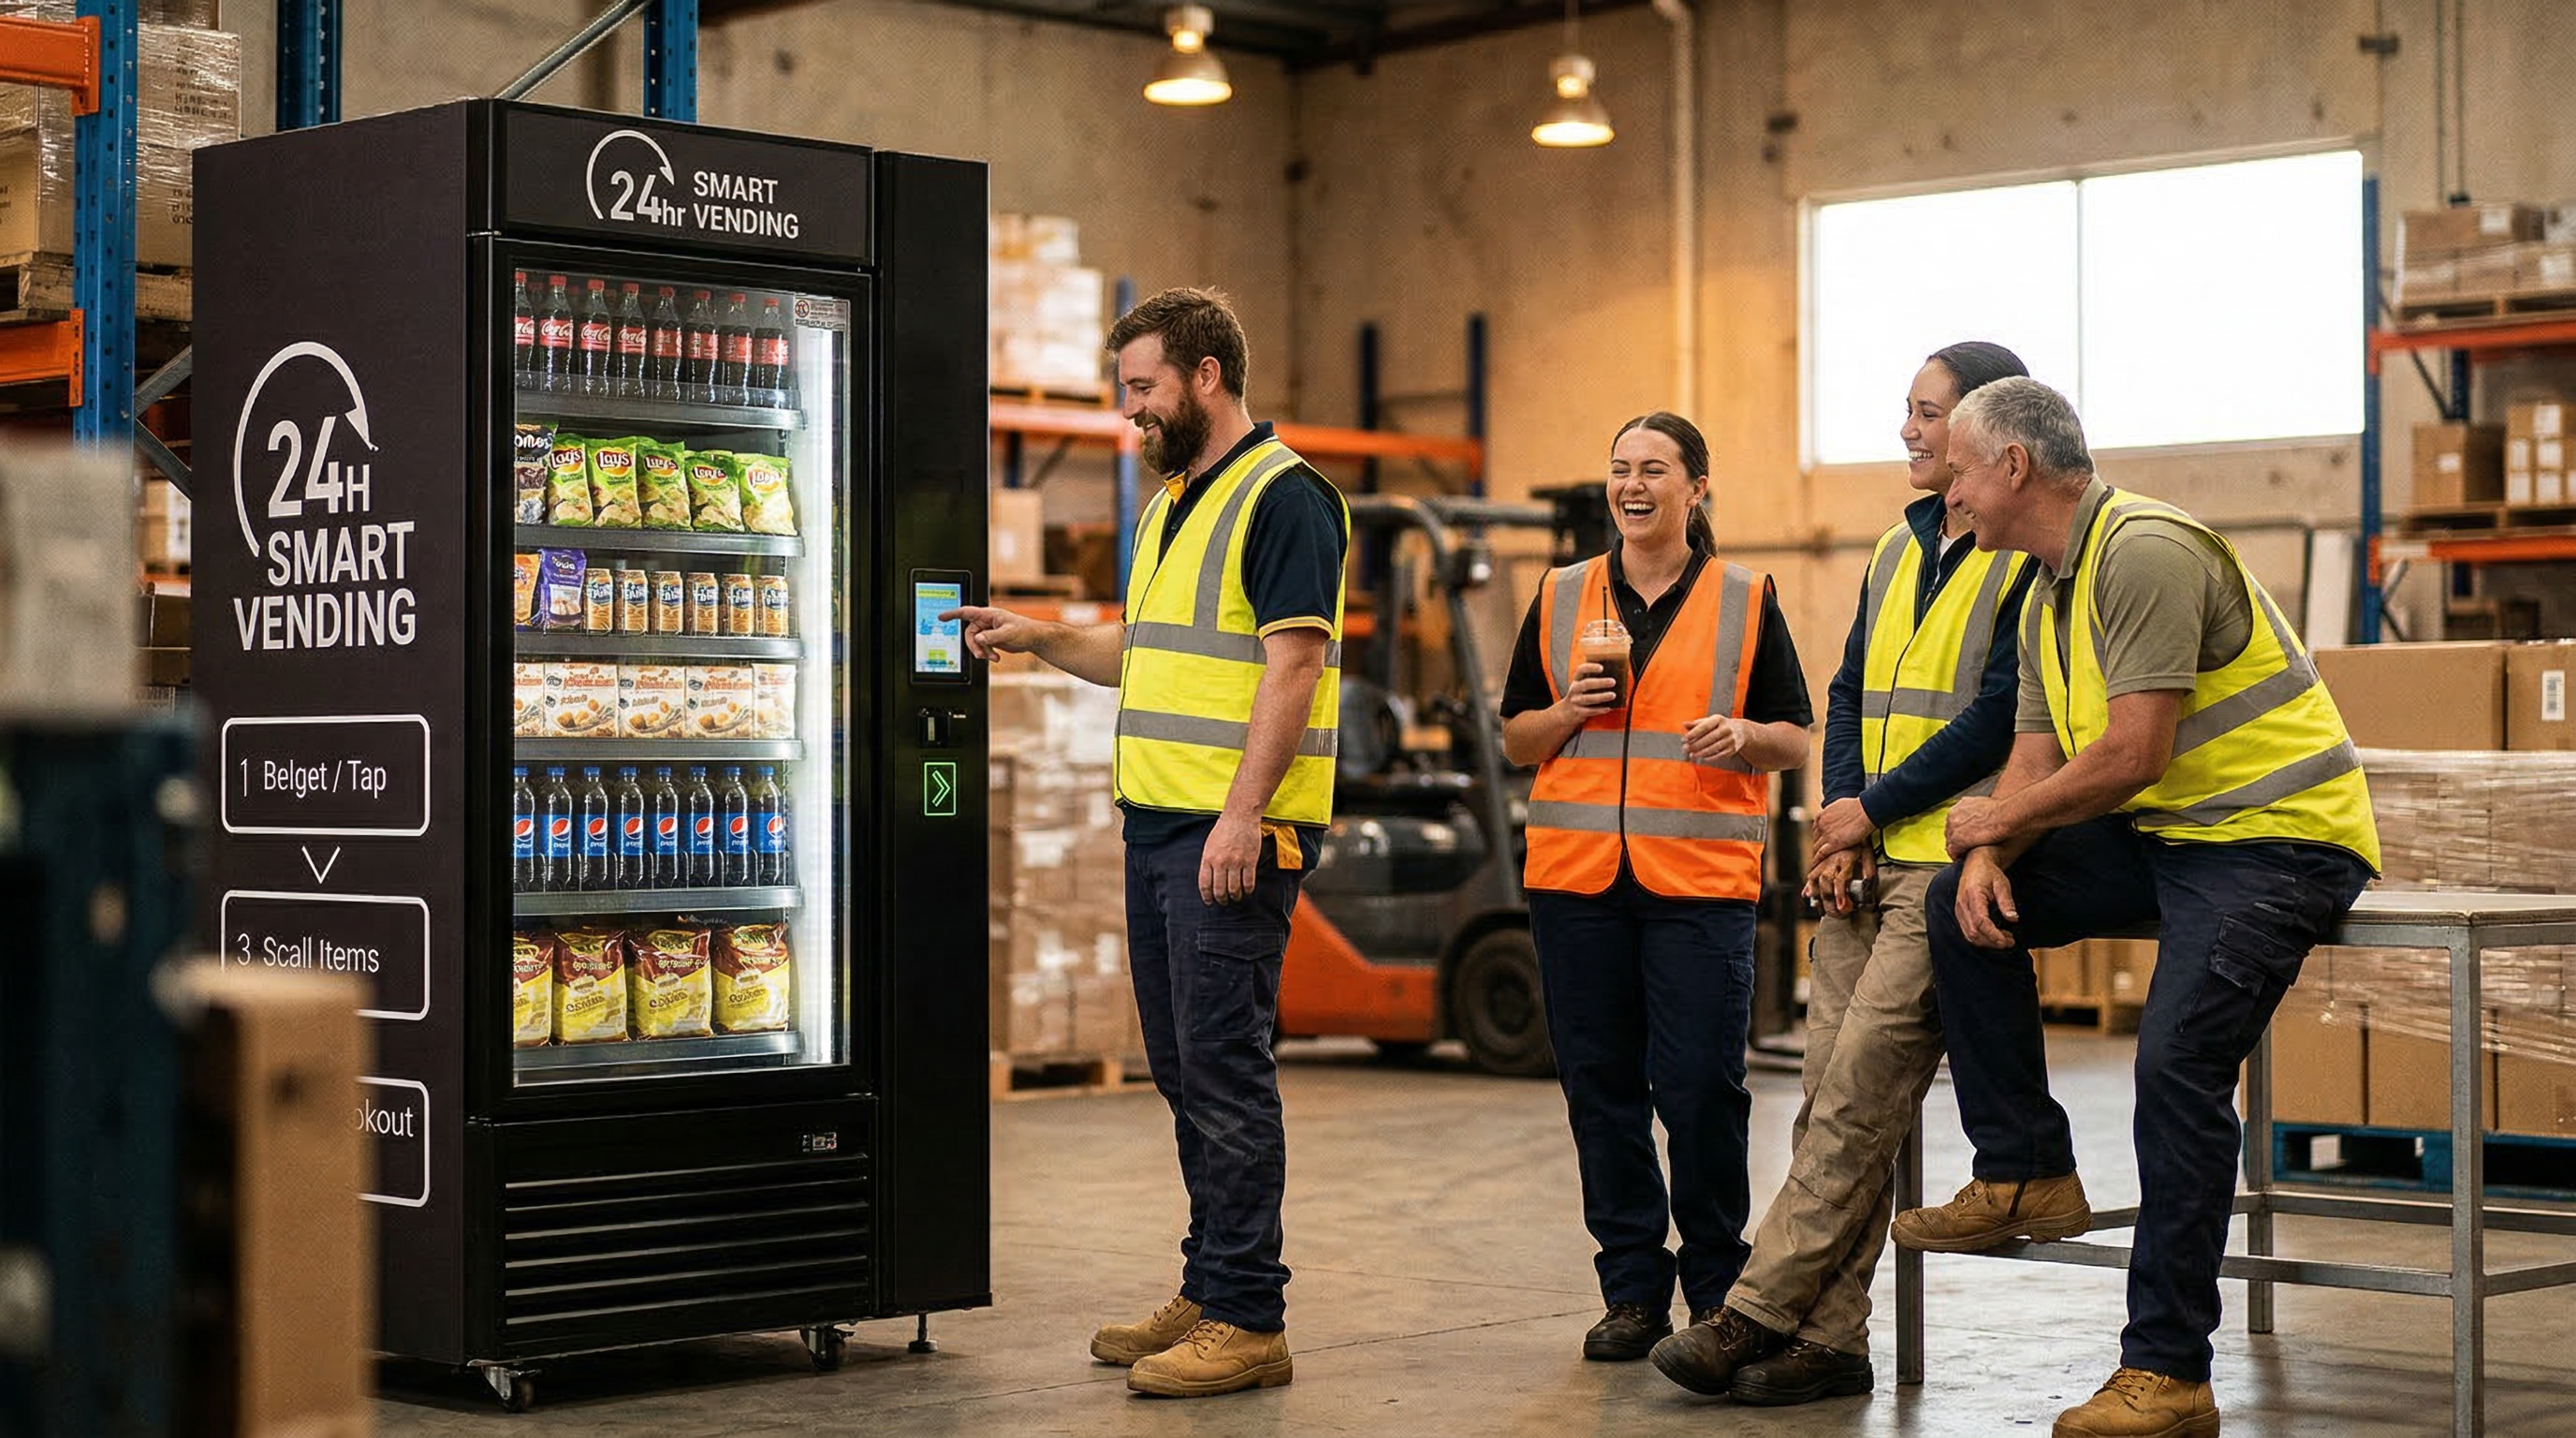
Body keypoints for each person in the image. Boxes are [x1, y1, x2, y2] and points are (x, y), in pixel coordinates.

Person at [1886, 377, 2378, 1438]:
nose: (1948, 494)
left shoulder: (2143, 551)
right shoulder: (2043, 588)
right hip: (2169, 835)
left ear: (2012, 467)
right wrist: (1986, 853)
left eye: (1960, 473)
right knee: (1951, 904)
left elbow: (2128, 753)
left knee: (2174, 1065)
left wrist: (1985, 824)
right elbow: (2035, 751)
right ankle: (2023, 1171)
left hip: (2271, 839)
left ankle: (2169, 1374)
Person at [946, 287, 1350, 1399]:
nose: (1130, 410)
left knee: (1224, 1070)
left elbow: (1295, 664)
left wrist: (1244, 812)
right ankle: (1209, 1282)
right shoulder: (1174, 502)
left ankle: (1249, 1317)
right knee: (1181, 1068)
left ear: (1205, 377)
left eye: (1142, 387)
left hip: (1228, 835)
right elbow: (1150, 652)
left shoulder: (1286, 498)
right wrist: (1038, 637)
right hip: (1159, 828)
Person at [1647, 343, 2039, 1403]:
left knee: (1858, 1098)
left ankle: (1751, 1311)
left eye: (1927, 415)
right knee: (1827, 1099)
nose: (1909, 432)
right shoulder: (1895, 545)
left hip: (1948, 864)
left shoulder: (2024, 559)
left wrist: (1877, 808)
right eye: (1906, 412)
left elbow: (1996, 714)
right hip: (1868, 858)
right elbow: (1852, 686)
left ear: (1984, 431)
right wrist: (1841, 823)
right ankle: (1833, 1342)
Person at [1498, 411, 1815, 1363]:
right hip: (1575, 883)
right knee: (1600, 1091)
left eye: (1654, 470)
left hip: (1698, 884)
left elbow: (1796, 735)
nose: (1632, 486)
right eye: (1620, 469)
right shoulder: (1559, 597)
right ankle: (1631, 1288)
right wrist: (1563, 712)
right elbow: (1515, 736)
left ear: (1696, 489)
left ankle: (1717, 1284)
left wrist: (1744, 739)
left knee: (1699, 1090)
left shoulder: (1743, 596)